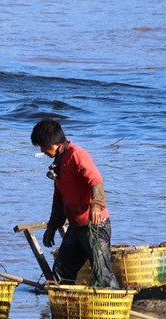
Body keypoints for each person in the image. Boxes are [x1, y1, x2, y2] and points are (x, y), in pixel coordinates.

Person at [31, 118, 120, 288]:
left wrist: (96, 205)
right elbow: (59, 201)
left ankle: (116, 305)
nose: (42, 150)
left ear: (51, 142)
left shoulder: (76, 154)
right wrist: (51, 227)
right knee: (60, 273)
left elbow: (95, 180)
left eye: (42, 146)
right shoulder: (58, 163)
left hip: (95, 225)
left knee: (102, 273)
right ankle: (63, 310)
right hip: (76, 226)